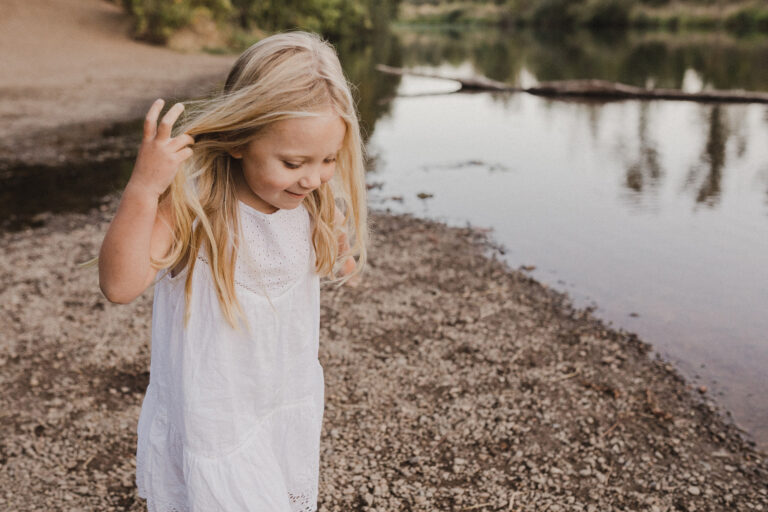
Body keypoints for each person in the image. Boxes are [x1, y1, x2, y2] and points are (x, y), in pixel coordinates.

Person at [97, 31, 367, 511]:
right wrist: (143, 188)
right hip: (217, 420)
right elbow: (119, 285)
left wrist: (337, 239)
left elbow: (344, 269)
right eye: (292, 162)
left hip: (282, 404)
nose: (313, 177)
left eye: (328, 160)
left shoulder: (312, 202)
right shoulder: (194, 208)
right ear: (240, 139)